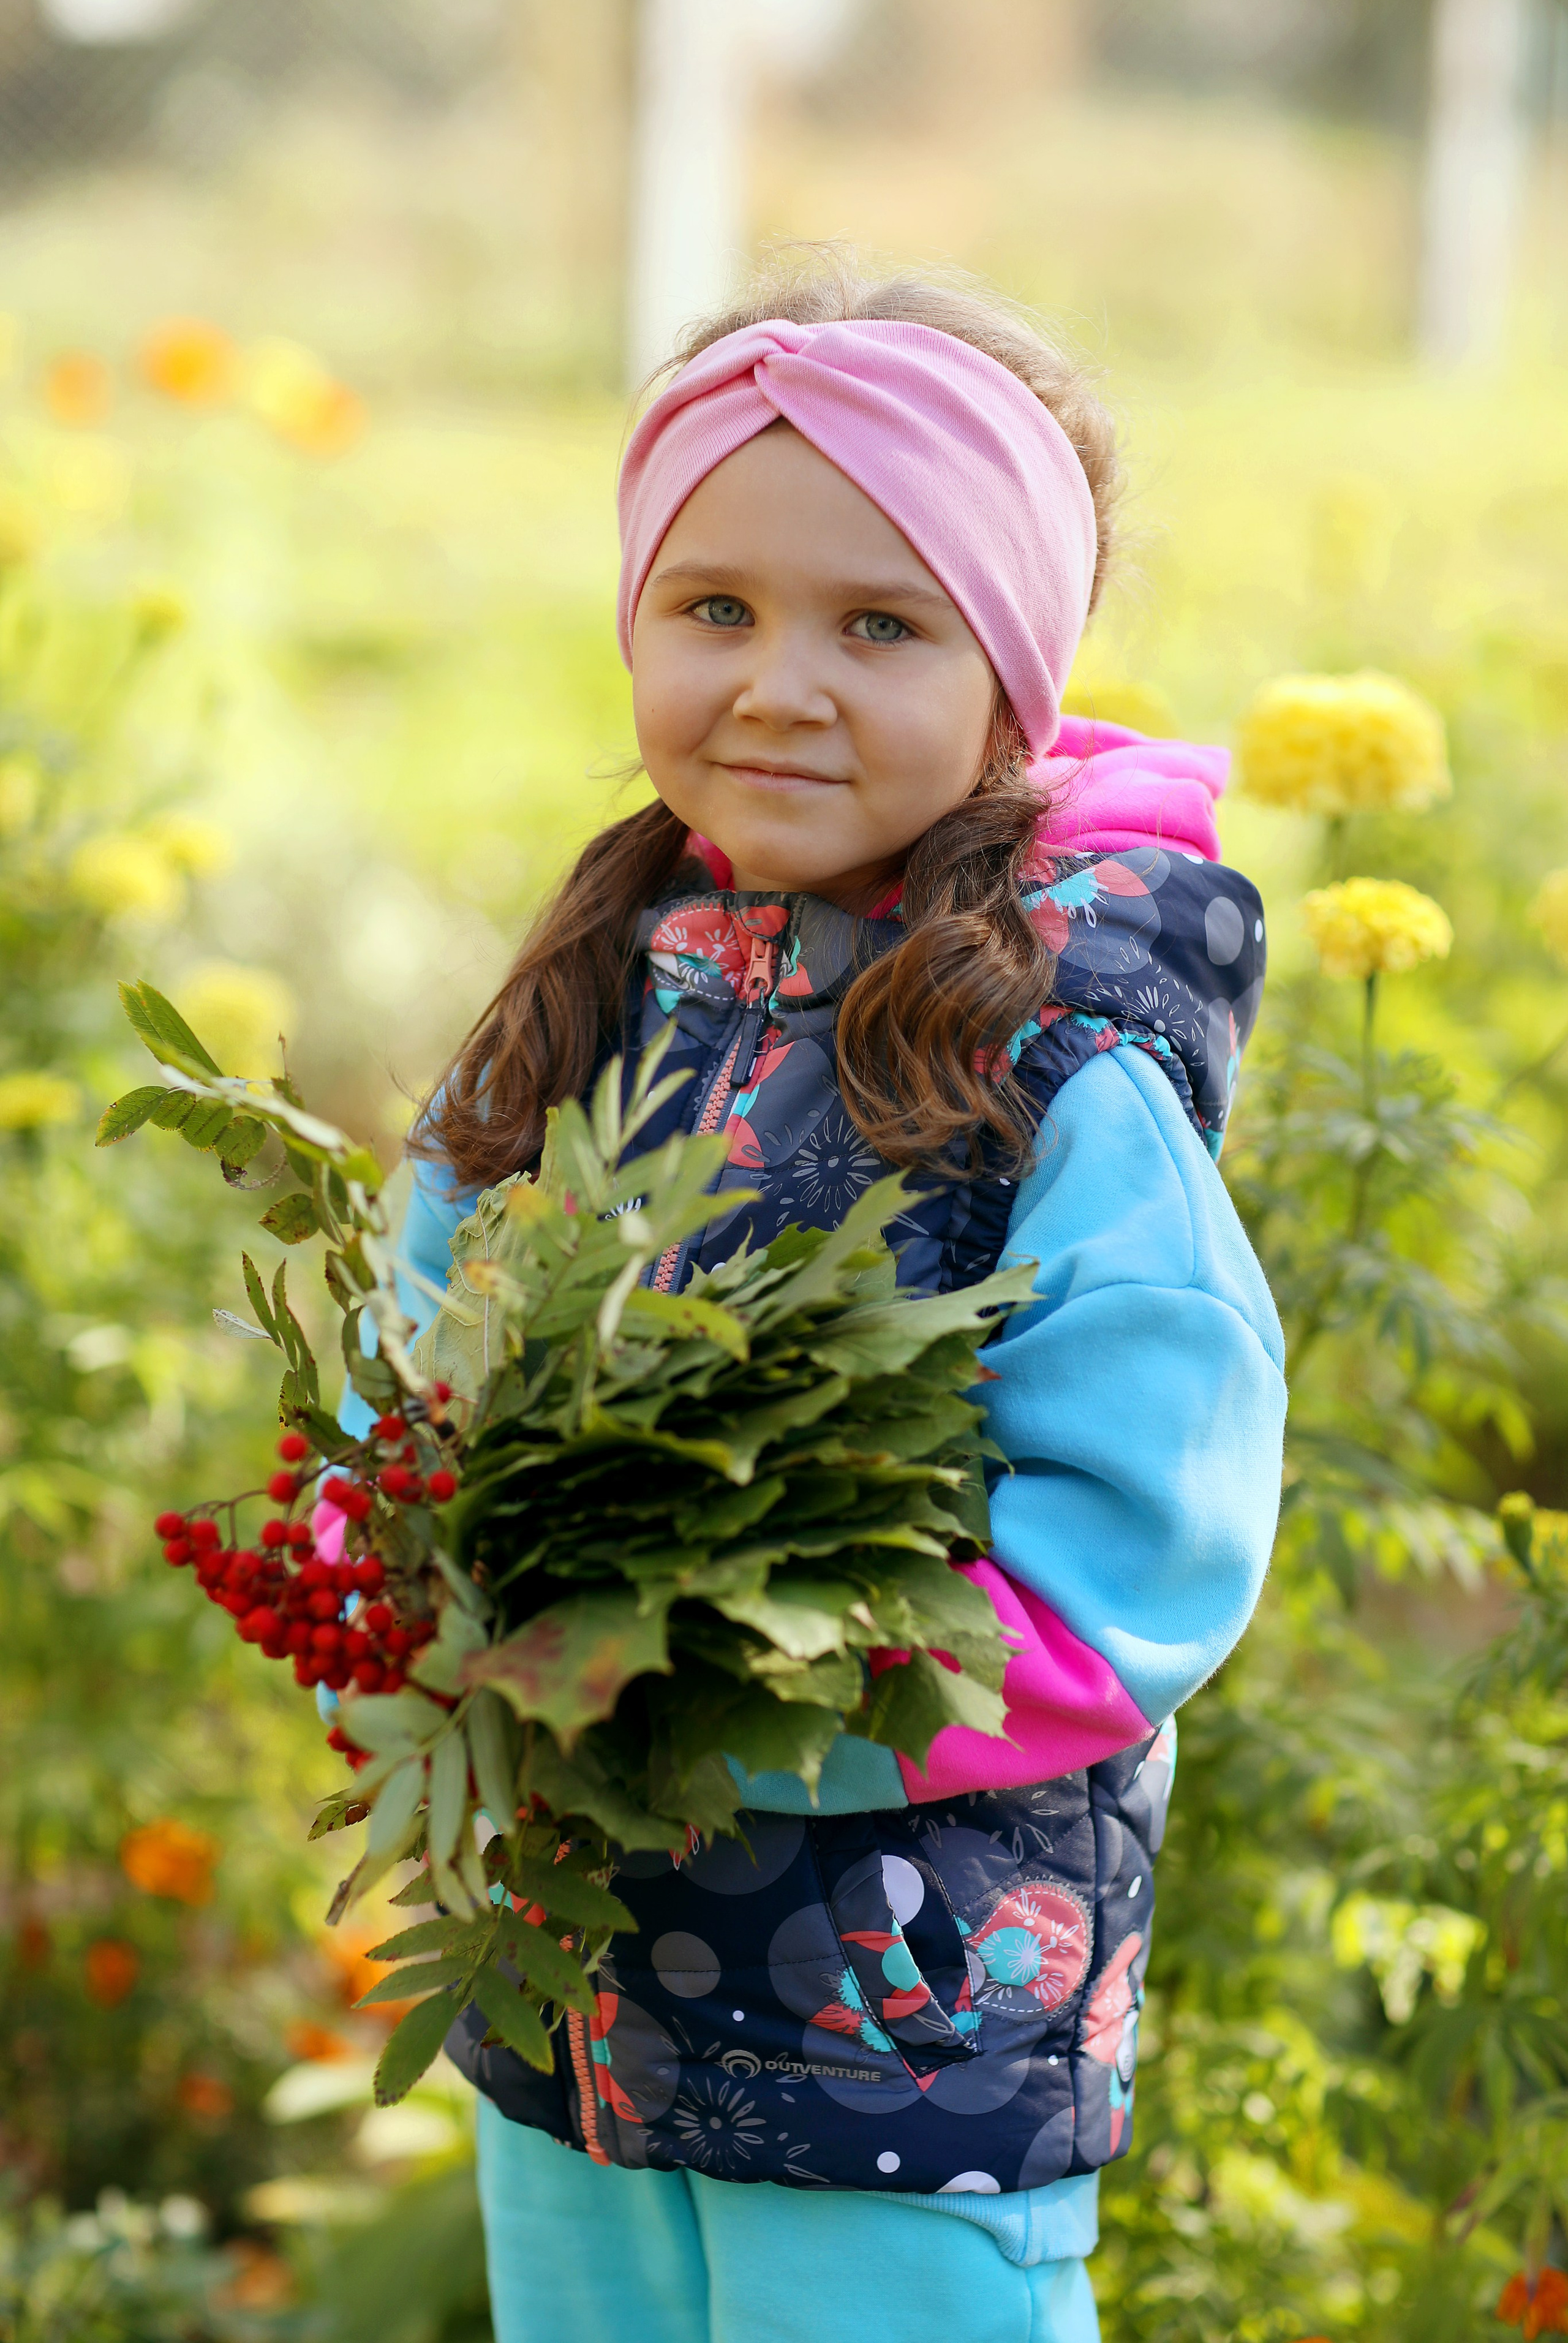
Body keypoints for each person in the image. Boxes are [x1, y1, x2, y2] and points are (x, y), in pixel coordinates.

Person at [339, 258, 1286, 2343]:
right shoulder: (611, 968)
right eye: (717, 610)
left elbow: (1147, 1536)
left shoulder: (1061, 1050)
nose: (779, 684)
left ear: (1013, 674)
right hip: (568, 1960)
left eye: (881, 624)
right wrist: (387, 1579)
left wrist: (752, 1705)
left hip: (904, 2023)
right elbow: (419, 1337)